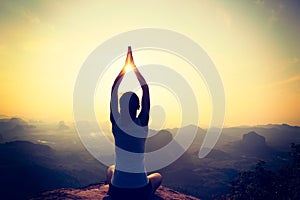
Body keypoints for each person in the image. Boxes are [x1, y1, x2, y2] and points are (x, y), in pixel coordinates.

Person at [107, 47, 162, 200]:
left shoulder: (116, 124)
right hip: (140, 189)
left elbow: (113, 89)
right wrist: (134, 68)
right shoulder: (142, 124)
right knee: (157, 176)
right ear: (138, 107)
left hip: (117, 190)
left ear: (120, 107)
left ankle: (112, 192)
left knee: (110, 169)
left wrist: (125, 68)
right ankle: (147, 195)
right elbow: (145, 89)